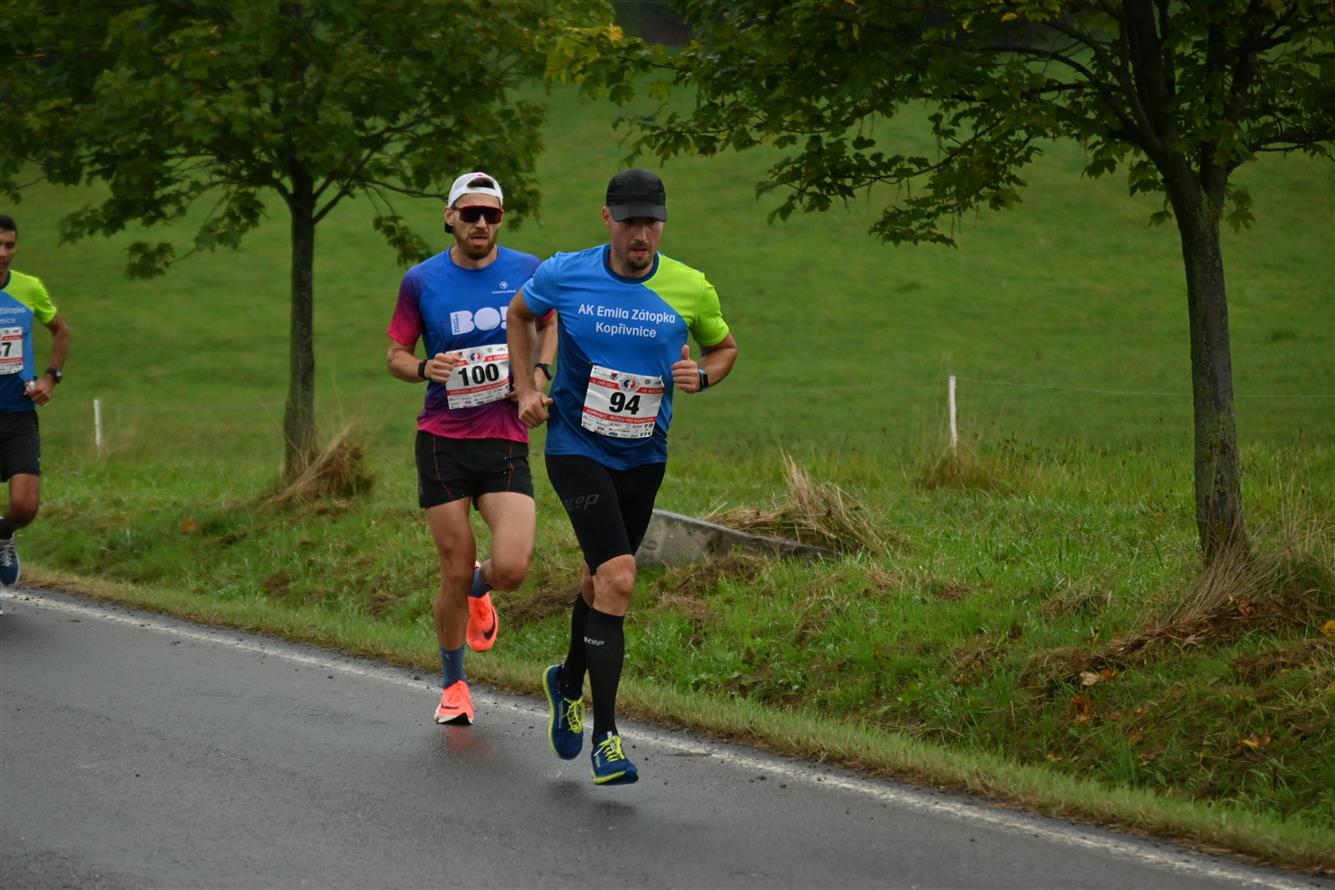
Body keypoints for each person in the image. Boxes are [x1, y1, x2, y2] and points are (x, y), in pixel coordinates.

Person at [507, 169, 738, 785]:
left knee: (597, 580)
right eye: (631, 221)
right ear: (607, 218)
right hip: (576, 447)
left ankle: (566, 681)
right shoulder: (566, 273)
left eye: (652, 222)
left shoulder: (690, 286)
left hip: (644, 454)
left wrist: (703, 376)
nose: (642, 234)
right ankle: (606, 739)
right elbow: (521, 314)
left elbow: (724, 349)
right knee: (619, 576)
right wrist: (525, 387)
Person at [386, 173, 556, 725]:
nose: (481, 223)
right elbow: (394, 355)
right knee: (453, 570)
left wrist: (537, 375)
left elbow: (551, 322)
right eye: (470, 213)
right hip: (443, 440)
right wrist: (422, 368)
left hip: (504, 436)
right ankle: (453, 685)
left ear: (500, 220)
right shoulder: (421, 280)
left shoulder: (528, 271)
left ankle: (482, 590)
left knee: (512, 567)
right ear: (450, 217)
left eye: (491, 215)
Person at [0, 214, 71, 604]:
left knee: (25, 506)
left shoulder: (29, 288)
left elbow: (60, 330)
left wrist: (50, 377)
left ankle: (3, 536)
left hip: (18, 413)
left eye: (9, 245)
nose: (3, 253)